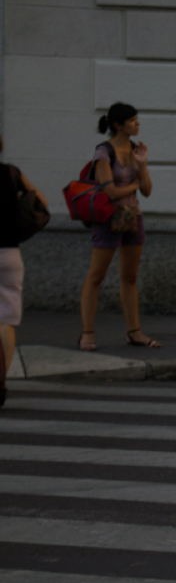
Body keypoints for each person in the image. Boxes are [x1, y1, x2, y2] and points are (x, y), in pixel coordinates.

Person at [78, 102, 160, 351]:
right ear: (118, 125)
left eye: (137, 119)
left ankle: (134, 332)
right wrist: (133, 185)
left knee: (130, 277)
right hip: (108, 219)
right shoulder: (103, 152)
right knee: (96, 276)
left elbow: (147, 190)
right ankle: (87, 334)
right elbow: (110, 190)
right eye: (133, 120)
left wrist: (142, 164)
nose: (138, 123)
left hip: (132, 217)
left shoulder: (136, 149)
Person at [0, 134, 48, 406]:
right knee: (5, 320)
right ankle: (1, 380)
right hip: (9, 253)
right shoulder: (11, 173)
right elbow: (40, 199)